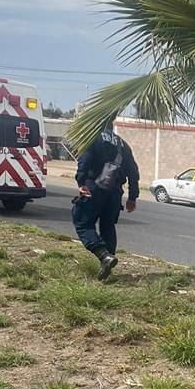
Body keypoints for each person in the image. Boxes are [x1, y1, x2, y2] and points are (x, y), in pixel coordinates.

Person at [73, 118, 139, 280]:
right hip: (115, 192)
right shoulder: (122, 144)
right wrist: (132, 197)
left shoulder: (93, 138)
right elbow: (133, 172)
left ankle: (104, 256)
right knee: (108, 226)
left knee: (82, 222)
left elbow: (85, 160)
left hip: (94, 187)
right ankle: (108, 265)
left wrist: (81, 181)